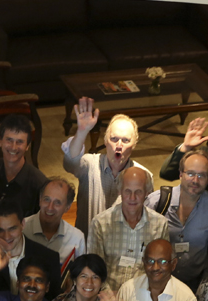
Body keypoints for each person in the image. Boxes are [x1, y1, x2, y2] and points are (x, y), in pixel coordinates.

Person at [63, 97, 154, 234]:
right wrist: (82, 131)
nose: (119, 145)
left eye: (125, 140)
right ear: (105, 141)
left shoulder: (144, 175)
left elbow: (147, 218)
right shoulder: (89, 165)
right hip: (89, 246)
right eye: (114, 139)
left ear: (134, 145)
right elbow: (70, 162)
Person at [145, 150, 208, 289]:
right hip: (157, 282)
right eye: (190, 174)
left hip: (194, 283)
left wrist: (204, 284)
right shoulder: (157, 201)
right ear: (180, 174)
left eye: (201, 175)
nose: (195, 180)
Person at [86, 168, 170, 290]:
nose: (132, 197)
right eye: (127, 191)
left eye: (138, 192)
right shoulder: (100, 223)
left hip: (144, 296)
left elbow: (162, 269)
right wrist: (111, 300)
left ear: (147, 192)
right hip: (107, 296)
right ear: (119, 191)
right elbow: (94, 270)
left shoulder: (160, 224)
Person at [0, 200, 62, 296]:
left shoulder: (49, 258)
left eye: (12, 229)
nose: (6, 237)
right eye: (0, 230)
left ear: (22, 224)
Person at [0, 114, 47, 219]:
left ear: (27, 146)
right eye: (9, 140)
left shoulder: (40, 184)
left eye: (19, 142)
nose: (13, 147)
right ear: (0, 141)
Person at [24, 179, 86, 269]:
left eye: (57, 203)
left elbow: (80, 274)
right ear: (40, 200)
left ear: (67, 207)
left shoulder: (76, 238)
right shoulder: (21, 229)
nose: (50, 207)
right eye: (46, 199)